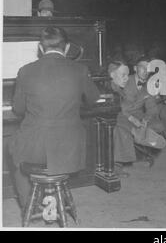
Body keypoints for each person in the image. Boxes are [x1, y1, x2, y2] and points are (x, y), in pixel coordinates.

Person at [9, 26, 100, 208]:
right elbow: (93, 99)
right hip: (69, 147)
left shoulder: (25, 71)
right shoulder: (80, 69)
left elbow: (18, 109)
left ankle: (30, 204)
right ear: (66, 48)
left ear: (41, 48)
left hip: (36, 146)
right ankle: (52, 197)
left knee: (11, 147)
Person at [110, 59, 163, 174]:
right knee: (123, 129)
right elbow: (119, 106)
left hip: (138, 114)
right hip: (122, 113)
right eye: (142, 67)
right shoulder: (123, 80)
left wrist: (146, 119)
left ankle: (140, 154)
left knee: (157, 125)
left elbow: (152, 108)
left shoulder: (150, 85)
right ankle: (118, 164)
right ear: (135, 68)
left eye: (148, 69)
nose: (145, 71)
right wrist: (132, 120)